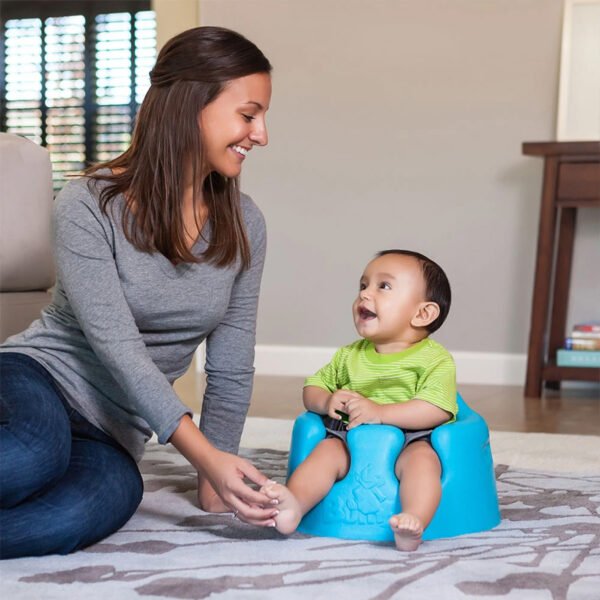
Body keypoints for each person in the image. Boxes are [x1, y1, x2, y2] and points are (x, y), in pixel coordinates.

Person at [0, 26, 280, 559]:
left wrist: (219, 477)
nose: (261, 134)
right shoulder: (87, 204)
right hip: (38, 380)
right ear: (192, 105)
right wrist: (203, 456)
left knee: (93, 506)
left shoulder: (246, 223)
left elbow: (232, 362)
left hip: (114, 431)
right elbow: (119, 350)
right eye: (248, 114)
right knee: (36, 455)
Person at [260, 249, 457, 551]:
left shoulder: (434, 359)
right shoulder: (349, 355)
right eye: (363, 286)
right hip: (349, 439)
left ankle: (413, 520)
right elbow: (311, 387)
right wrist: (326, 401)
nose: (365, 295)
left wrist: (381, 412)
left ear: (422, 314)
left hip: (414, 439)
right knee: (325, 452)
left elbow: (436, 408)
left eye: (383, 286)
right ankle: (294, 505)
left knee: (424, 464)